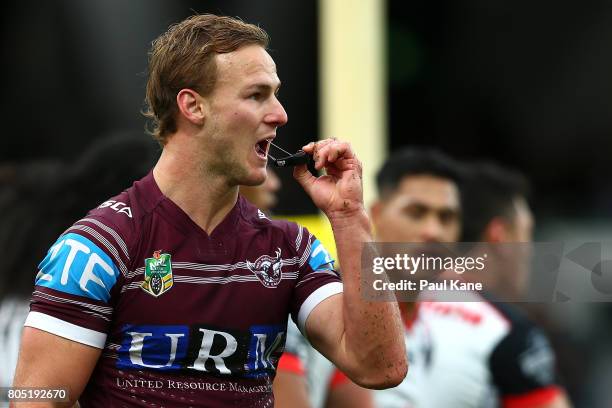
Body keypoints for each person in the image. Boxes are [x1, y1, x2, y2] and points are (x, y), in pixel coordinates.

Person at [12, 14, 406, 407]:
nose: (280, 114)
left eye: (276, 94)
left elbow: (380, 367)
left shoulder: (290, 249)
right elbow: (37, 398)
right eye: (257, 95)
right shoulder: (99, 247)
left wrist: (350, 217)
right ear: (193, 106)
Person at [371, 149, 571, 407]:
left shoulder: (495, 327)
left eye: (447, 217)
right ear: (375, 214)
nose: (433, 231)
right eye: (416, 212)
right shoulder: (320, 305)